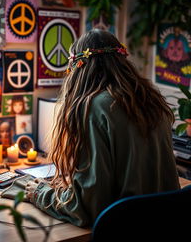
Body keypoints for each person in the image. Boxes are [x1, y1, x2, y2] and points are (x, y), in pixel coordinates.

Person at [25, 29, 180, 227]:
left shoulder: (93, 107)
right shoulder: (152, 100)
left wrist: (40, 194)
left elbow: (87, 207)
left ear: (78, 70)